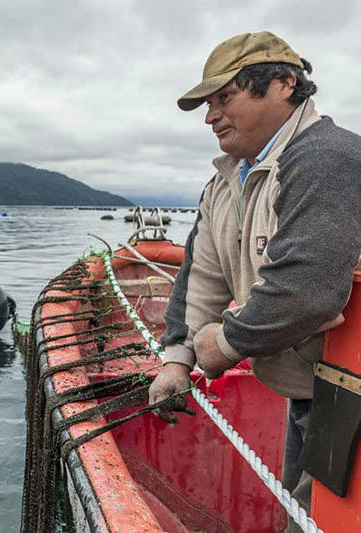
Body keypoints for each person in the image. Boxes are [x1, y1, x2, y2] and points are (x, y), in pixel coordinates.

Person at [148, 31, 361, 532]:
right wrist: (177, 360)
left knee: (318, 523)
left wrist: (224, 343)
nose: (210, 116)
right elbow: (200, 276)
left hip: (350, 399)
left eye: (225, 98)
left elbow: (307, 289)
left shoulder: (326, 159)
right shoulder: (226, 180)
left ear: (284, 83)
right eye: (208, 103)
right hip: (311, 389)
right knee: (302, 515)